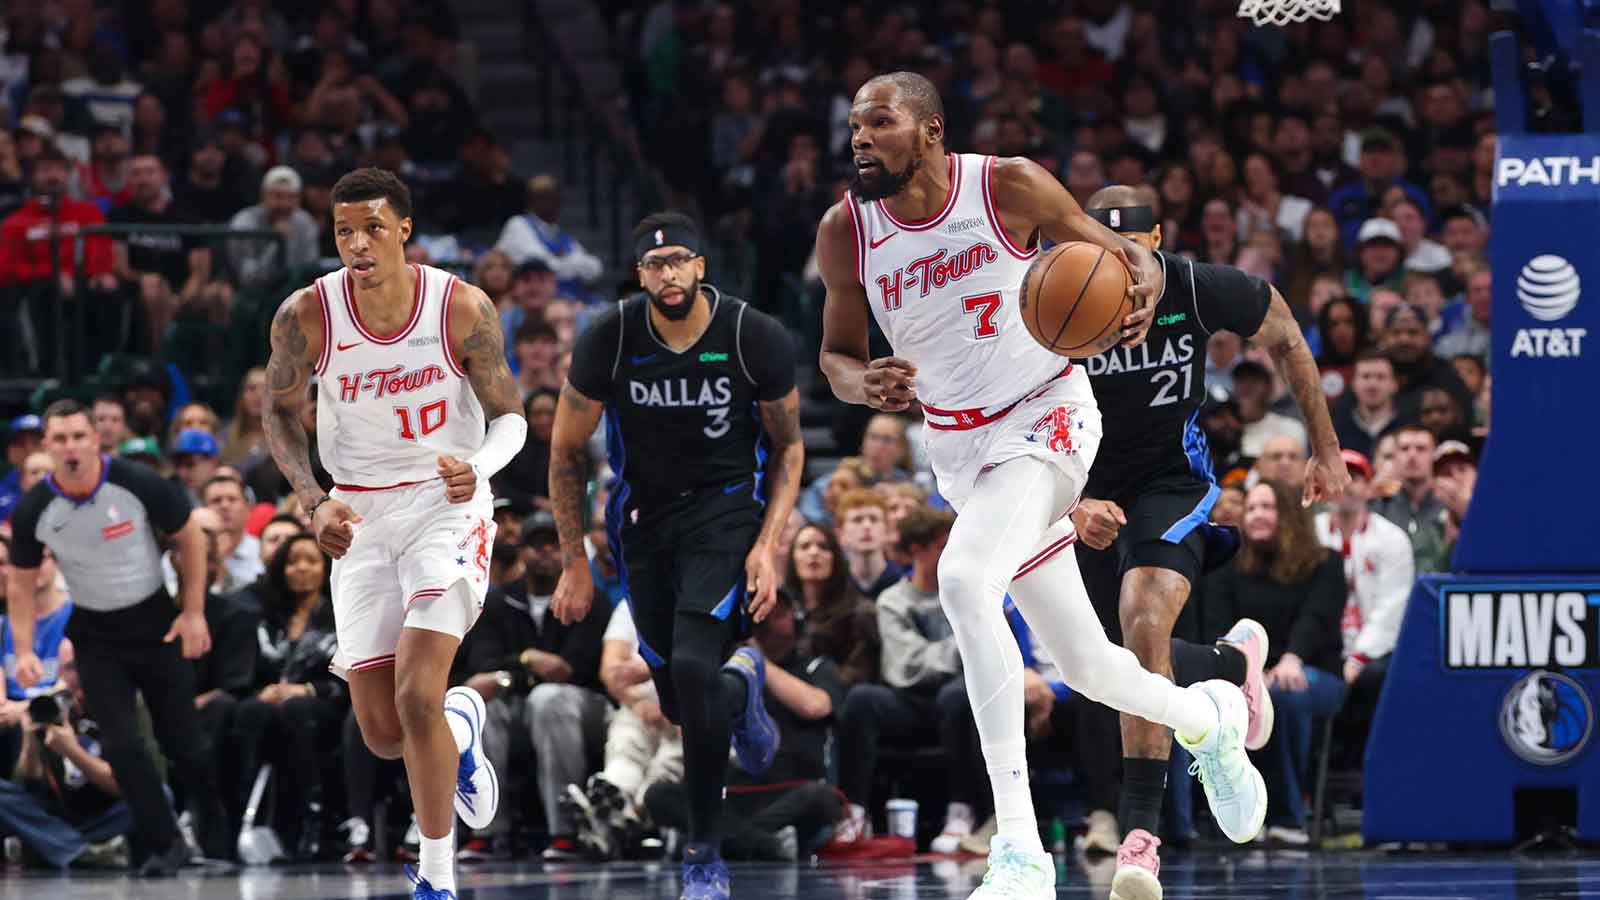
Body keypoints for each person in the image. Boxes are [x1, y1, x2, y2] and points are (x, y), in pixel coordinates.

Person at [814, 72, 1270, 900]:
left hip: (1048, 413)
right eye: (854, 127)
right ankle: (1211, 717)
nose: (861, 139)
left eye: (880, 122)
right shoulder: (847, 230)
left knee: (963, 580)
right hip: (960, 451)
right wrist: (862, 382)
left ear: (931, 130)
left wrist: (1138, 286)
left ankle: (1019, 851)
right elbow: (836, 356)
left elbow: (1121, 251)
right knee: (1090, 666)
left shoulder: (1007, 185)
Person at [261, 167, 528, 900]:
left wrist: (477, 467)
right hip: (358, 512)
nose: (357, 244)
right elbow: (276, 409)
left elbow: (511, 414)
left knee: (415, 695)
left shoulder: (459, 305)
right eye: (344, 231)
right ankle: (461, 725)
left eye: (373, 228)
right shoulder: (307, 314)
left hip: (446, 503)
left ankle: (436, 878)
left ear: (404, 230)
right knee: (383, 733)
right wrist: (313, 501)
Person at [1072, 185, 1346, 880]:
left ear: (1156, 241)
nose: (1115, 262)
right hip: (1081, 487)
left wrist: (1326, 447)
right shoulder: (1059, 297)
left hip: (1173, 483)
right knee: (1098, 666)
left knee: (1142, 624)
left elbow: (1285, 335)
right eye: (1099, 247)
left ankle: (1140, 836)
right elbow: (1017, 414)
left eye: (1129, 248)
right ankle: (1228, 668)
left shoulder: (1196, 288)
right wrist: (1072, 505)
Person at [549, 210, 805, 900]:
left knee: (693, 664)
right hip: (642, 522)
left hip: (725, 511)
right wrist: (575, 560)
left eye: (679, 261)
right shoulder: (611, 337)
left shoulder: (752, 335)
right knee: (678, 697)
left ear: (701, 267)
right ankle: (741, 687)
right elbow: (566, 451)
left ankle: (702, 855)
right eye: (655, 265)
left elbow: (788, 447)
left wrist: (768, 545)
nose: (669, 274)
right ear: (640, 276)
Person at [7, 400, 229, 873]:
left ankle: (218, 840)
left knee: (185, 744)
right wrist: (23, 650)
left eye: (78, 437)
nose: (70, 448)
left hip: (156, 624)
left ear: (95, 440)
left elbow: (190, 536)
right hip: (96, 636)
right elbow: (21, 584)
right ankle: (166, 844)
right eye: (60, 439)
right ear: (47, 446)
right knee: (122, 745)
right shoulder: (35, 508)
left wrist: (193, 612)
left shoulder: (135, 481)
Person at [452, 510, 611, 861]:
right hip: (518, 704)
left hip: (586, 707)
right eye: (537, 545)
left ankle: (566, 832)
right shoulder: (496, 601)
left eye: (554, 544)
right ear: (522, 552)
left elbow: (572, 669)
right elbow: (483, 666)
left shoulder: (590, 598)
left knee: (548, 699)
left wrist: (510, 673)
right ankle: (487, 832)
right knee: (482, 707)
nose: (546, 552)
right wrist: (527, 660)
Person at [1199, 481, 1346, 844]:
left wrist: (1293, 658)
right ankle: (1243, 815)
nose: (1257, 515)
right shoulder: (1228, 566)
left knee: (1283, 696)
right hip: (1246, 672)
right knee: (1239, 700)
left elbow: (1316, 618)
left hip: (1312, 668)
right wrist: (1249, 673)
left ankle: (1288, 817)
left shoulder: (1324, 563)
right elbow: (1219, 625)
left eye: (1267, 507)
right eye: (1251, 508)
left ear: (1290, 514)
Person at [834, 507, 984, 851]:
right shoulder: (893, 600)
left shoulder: (970, 594)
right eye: (943, 546)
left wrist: (958, 651)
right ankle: (854, 811)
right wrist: (964, 645)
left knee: (957, 695)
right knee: (861, 699)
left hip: (960, 703)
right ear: (918, 550)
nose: (954, 554)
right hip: (911, 703)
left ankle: (962, 811)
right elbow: (907, 667)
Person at [229, 530, 346, 859]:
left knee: (296, 709)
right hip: (275, 705)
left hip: (327, 703)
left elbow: (348, 680)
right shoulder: (268, 621)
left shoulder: (339, 616)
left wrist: (306, 689)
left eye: (311, 561)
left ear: (325, 568)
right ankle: (242, 819)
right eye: (293, 562)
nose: (302, 568)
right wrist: (264, 691)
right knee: (251, 710)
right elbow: (249, 673)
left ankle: (315, 820)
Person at [1314, 451, 1412, 771]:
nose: (1347, 485)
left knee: (1377, 677)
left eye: (1355, 477)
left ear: (1370, 488)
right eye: (1339, 476)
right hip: (1323, 646)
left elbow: (1392, 605)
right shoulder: (1312, 534)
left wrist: (1359, 656)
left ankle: (1371, 770)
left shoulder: (1392, 539)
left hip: (1374, 649)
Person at [0, 639, 135, 870]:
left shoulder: (120, 706)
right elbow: (28, 785)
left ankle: (54, 846)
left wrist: (72, 751)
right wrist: (30, 740)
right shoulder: (45, 707)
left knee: (158, 795)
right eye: (71, 667)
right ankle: (80, 850)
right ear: (59, 673)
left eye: (83, 664)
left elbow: (127, 784)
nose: (78, 674)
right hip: (53, 813)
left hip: (102, 810)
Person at [787, 521, 879, 686]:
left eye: (823, 546)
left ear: (835, 557)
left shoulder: (860, 613)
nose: (814, 552)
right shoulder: (783, 609)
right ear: (792, 558)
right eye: (804, 546)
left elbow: (859, 675)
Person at [1372, 425, 1451, 574]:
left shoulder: (1449, 507)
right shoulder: (1378, 506)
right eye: (1404, 449)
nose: (1412, 455)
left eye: (1421, 449)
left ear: (1434, 456)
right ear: (1395, 457)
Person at [1332, 350, 1406, 459]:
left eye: (1380, 377)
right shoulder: (1335, 429)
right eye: (1365, 377)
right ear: (1353, 383)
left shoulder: (1408, 427)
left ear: (1394, 384)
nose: (1372, 384)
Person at [834, 488, 906, 599]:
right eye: (857, 520)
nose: (867, 526)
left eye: (874, 519)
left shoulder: (904, 583)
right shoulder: (833, 587)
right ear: (840, 534)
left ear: (887, 530)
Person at [0, 415, 44, 521]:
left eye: (36, 442)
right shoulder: (2, 491)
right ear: (10, 452)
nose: (29, 449)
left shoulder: (70, 486)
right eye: (20, 443)